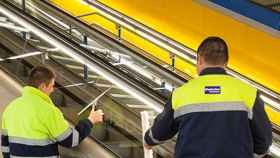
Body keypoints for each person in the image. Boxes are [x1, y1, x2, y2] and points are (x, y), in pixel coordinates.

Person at [144, 37, 272, 158]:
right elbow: (264, 142)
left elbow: (159, 131)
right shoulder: (248, 93)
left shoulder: (182, 93)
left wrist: (148, 140)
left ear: (199, 59)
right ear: (226, 62)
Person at [1, 66, 104, 157]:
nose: (53, 90)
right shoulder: (48, 110)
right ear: (42, 86)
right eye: (51, 85)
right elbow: (70, 140)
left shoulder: (11, 108)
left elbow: (5, 147)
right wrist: (90, 121)